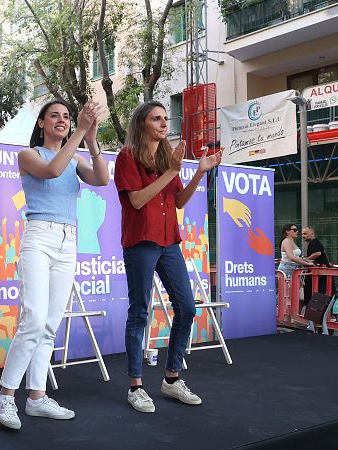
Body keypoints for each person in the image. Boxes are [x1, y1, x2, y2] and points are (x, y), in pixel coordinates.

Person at [0, 100, 109, 429]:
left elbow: (102, 179)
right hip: (39, 238)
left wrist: (92, 140)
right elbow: (52, 171)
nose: (62, 120)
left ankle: (37, 398)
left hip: (68, 240)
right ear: (41, 123)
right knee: (33, 319)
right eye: (54, 115)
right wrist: (81, 131)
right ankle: (5, 396)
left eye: (67, 117)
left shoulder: (76, 157)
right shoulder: (29, 155)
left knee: (49, 324)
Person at [114, 101, 222, 413]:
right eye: (156, 118)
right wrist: (173, 171)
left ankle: (172, 379)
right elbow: (137, 200)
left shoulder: (166, 158)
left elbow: (178, 201)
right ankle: (136, 386)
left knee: (187, 308)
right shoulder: (127, 156)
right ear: (142, 123)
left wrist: (199, 172)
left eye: (165, 118)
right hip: (140, 242)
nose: (164, 123)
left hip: (169, 242)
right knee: (139, 312)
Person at [302, 227, 329, 303]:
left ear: (312, 233)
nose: (303, 236)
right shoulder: (314, 243)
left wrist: (306, 260)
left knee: (317, 293)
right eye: (302, 234)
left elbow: (317, 253)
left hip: (320, 273)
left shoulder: (314, 242)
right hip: (319, 272)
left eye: (305, 234)